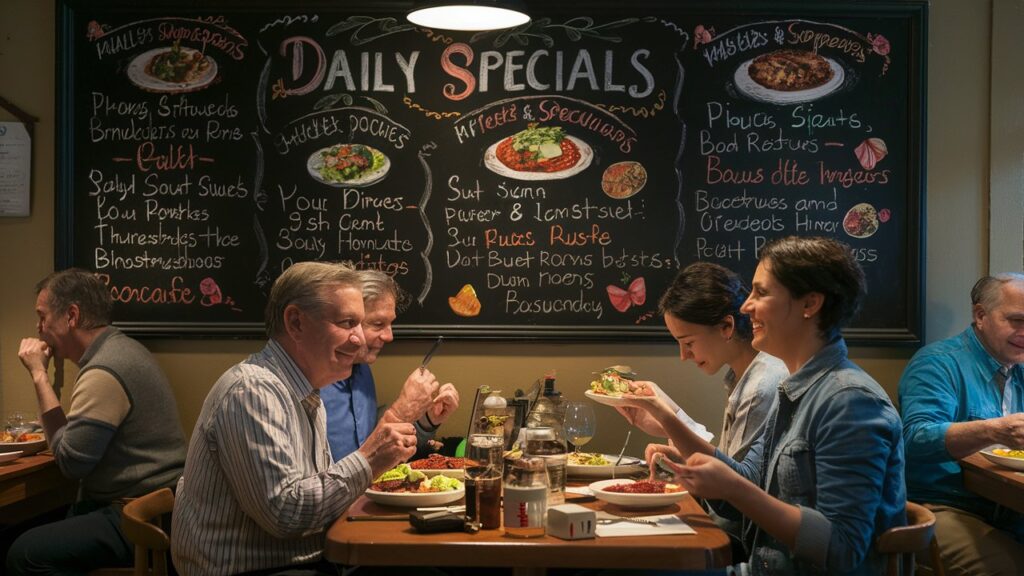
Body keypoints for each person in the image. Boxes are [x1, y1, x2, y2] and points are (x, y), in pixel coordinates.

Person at [620, 236, 904, 574]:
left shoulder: (850, 402)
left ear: (809, 304)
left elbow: (842, 549)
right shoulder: (793, 390)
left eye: (761, 293)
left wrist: (732, 486)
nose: (745, 306)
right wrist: (703, 471)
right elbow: (741, 497)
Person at [171, 262, 426, 576]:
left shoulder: (306, 392)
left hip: (305, 559)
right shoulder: (253, 391)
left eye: (361, 324)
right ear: (295, 323)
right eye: (347, 322)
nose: (360, 338)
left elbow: (316, 494)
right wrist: (369, 458)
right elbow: (285, 515)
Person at [7, 268, 187, 575]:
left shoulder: (105, 370)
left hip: (139, 516)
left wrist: (39, 375)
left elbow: (71, 464)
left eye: (42, 317)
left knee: (22, 554)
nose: (38, 329)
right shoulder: (123, 349)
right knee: (32, 527)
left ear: (72, 316)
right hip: (166, 507)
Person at [613, 262, 786, 552]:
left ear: (726, 326)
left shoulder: (764, 384)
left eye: (688, 342)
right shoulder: (743, 377)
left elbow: (735, 501)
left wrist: (666, 416)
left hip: (737, 547)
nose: (684, 355)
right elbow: (729, 469)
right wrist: (679, 453)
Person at [899, 273, 1024, 575]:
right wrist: (996, 430)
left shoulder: (1017, 368)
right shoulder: (937, 363)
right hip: (941, 505)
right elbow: (913, 438)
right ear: (980, 315)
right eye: (1016, 320)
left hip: (1009, 507)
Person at [322, 269, 459, 462]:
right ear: (347, 322)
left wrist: (426, 421)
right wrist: (401, 412)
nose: (389, 336)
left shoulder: (362, 371)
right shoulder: (313, 379)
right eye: (377, 324)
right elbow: (335, 477)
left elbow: (378, 452)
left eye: (390, 324)